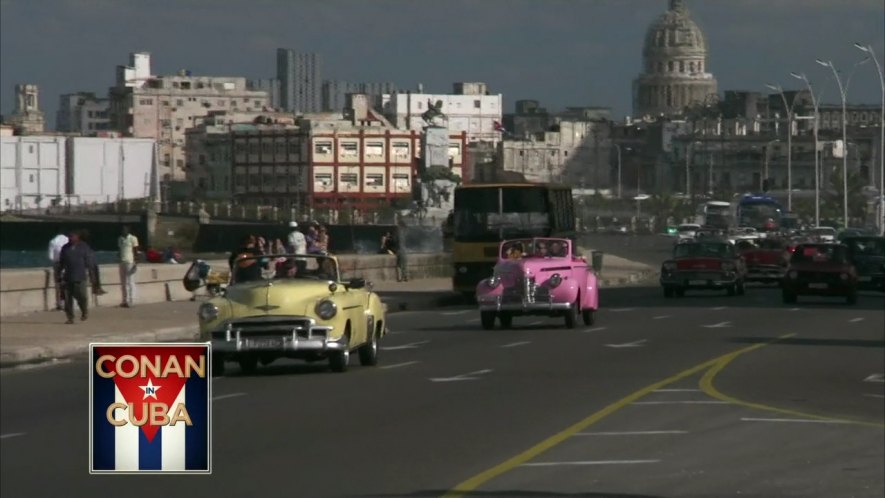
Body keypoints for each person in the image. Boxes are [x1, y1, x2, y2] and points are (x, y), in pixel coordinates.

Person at [58, 230, 97, 324]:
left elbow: (90, 262)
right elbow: (61, 263)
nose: (70, 238)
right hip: (68, 276)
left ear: (77, 237)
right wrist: (59, 275)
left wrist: (92, 276)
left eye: (72, 236)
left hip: (80, 277)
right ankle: (70, 317)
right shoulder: (65, 248)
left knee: (82, 296)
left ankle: (84, 311)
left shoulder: (84, 247)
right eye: (69, 236)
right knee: (68, 299)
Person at [118, 226, 140, 308]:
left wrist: (136, 261)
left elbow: (135, 250)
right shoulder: (120, 239)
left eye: (125, 230)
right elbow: (120, 250)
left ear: (128, 231)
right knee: (123, 283)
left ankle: (131, 300)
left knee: (130, 281)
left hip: (130, 261)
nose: (124, 231)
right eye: (122, 230)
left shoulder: (133, 238)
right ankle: (124, 300)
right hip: (122, 262)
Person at [48, 228, 69, 310]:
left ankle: (60, 303)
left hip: (58, 264)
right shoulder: (68, 240)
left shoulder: (53, 241)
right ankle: (70, 302)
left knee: (58, 284)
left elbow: (51, 257)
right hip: (68, 263)